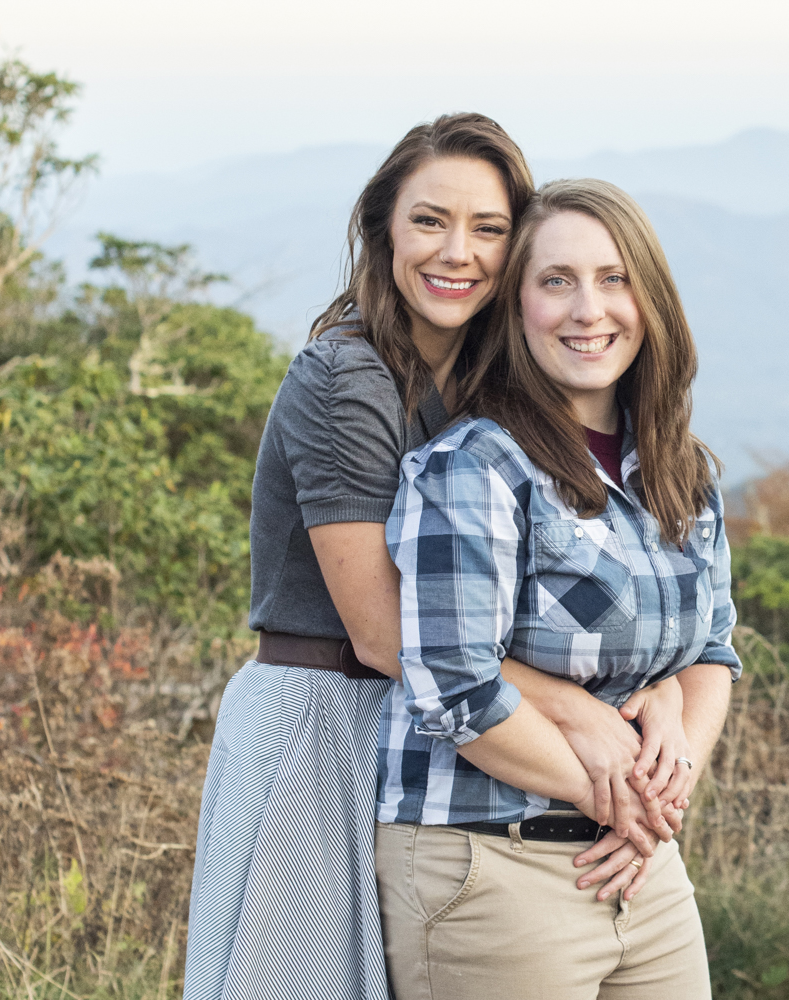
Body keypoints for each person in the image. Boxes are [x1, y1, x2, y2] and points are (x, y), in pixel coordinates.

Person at [185, 115, 685, 1000]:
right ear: (382, 230)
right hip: (325, 721)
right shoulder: (348, 380)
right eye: (429, 221)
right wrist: (577, 711)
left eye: (488, 230)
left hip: (425, 734)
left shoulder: (483, 383)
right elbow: (386, 635)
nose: (457, 253)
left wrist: (670, 693)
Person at [375, 177, 740, 999]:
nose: (589, 310)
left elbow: (713, 650)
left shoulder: (680, 470)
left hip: (642, 867)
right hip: (488, 864)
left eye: (614, 279)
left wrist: (674, 749)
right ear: (516, 308)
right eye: (556, 281)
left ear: (651, 299)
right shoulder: (474, 466)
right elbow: (456, 685)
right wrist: (612, 798)